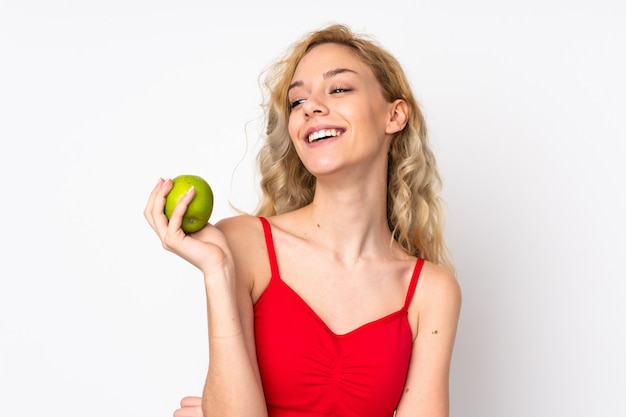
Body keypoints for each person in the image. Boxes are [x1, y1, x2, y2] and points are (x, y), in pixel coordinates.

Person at [144, 23, 461, 417]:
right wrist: (217, 270)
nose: (310, 107)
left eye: (339, 89)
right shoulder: (241, 245)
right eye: (297, 101)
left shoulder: (431, 291)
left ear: (394, 116)